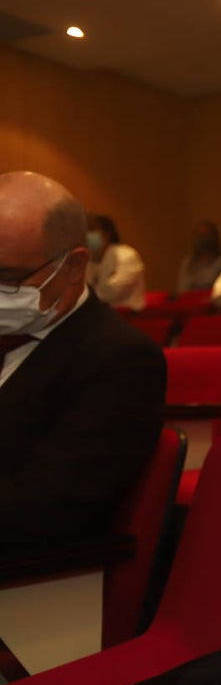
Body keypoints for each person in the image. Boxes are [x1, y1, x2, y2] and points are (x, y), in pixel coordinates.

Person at [0, 171, 166, 549]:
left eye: (7, 276)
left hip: (36, 581)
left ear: (73, 266)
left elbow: (44, 510)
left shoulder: (121, 360)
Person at [85, 213, 147, 312]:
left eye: (91, 230)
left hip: (127, 316)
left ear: (106, 234)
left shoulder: (126, 255)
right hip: (98, 314)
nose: (87, 235)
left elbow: (112, 292)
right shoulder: (88, 260)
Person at [177, 220, 221, 293]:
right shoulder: (187, 264)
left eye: (207, 235)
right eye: (199, 236)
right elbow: (182, 291)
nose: (203, 239)